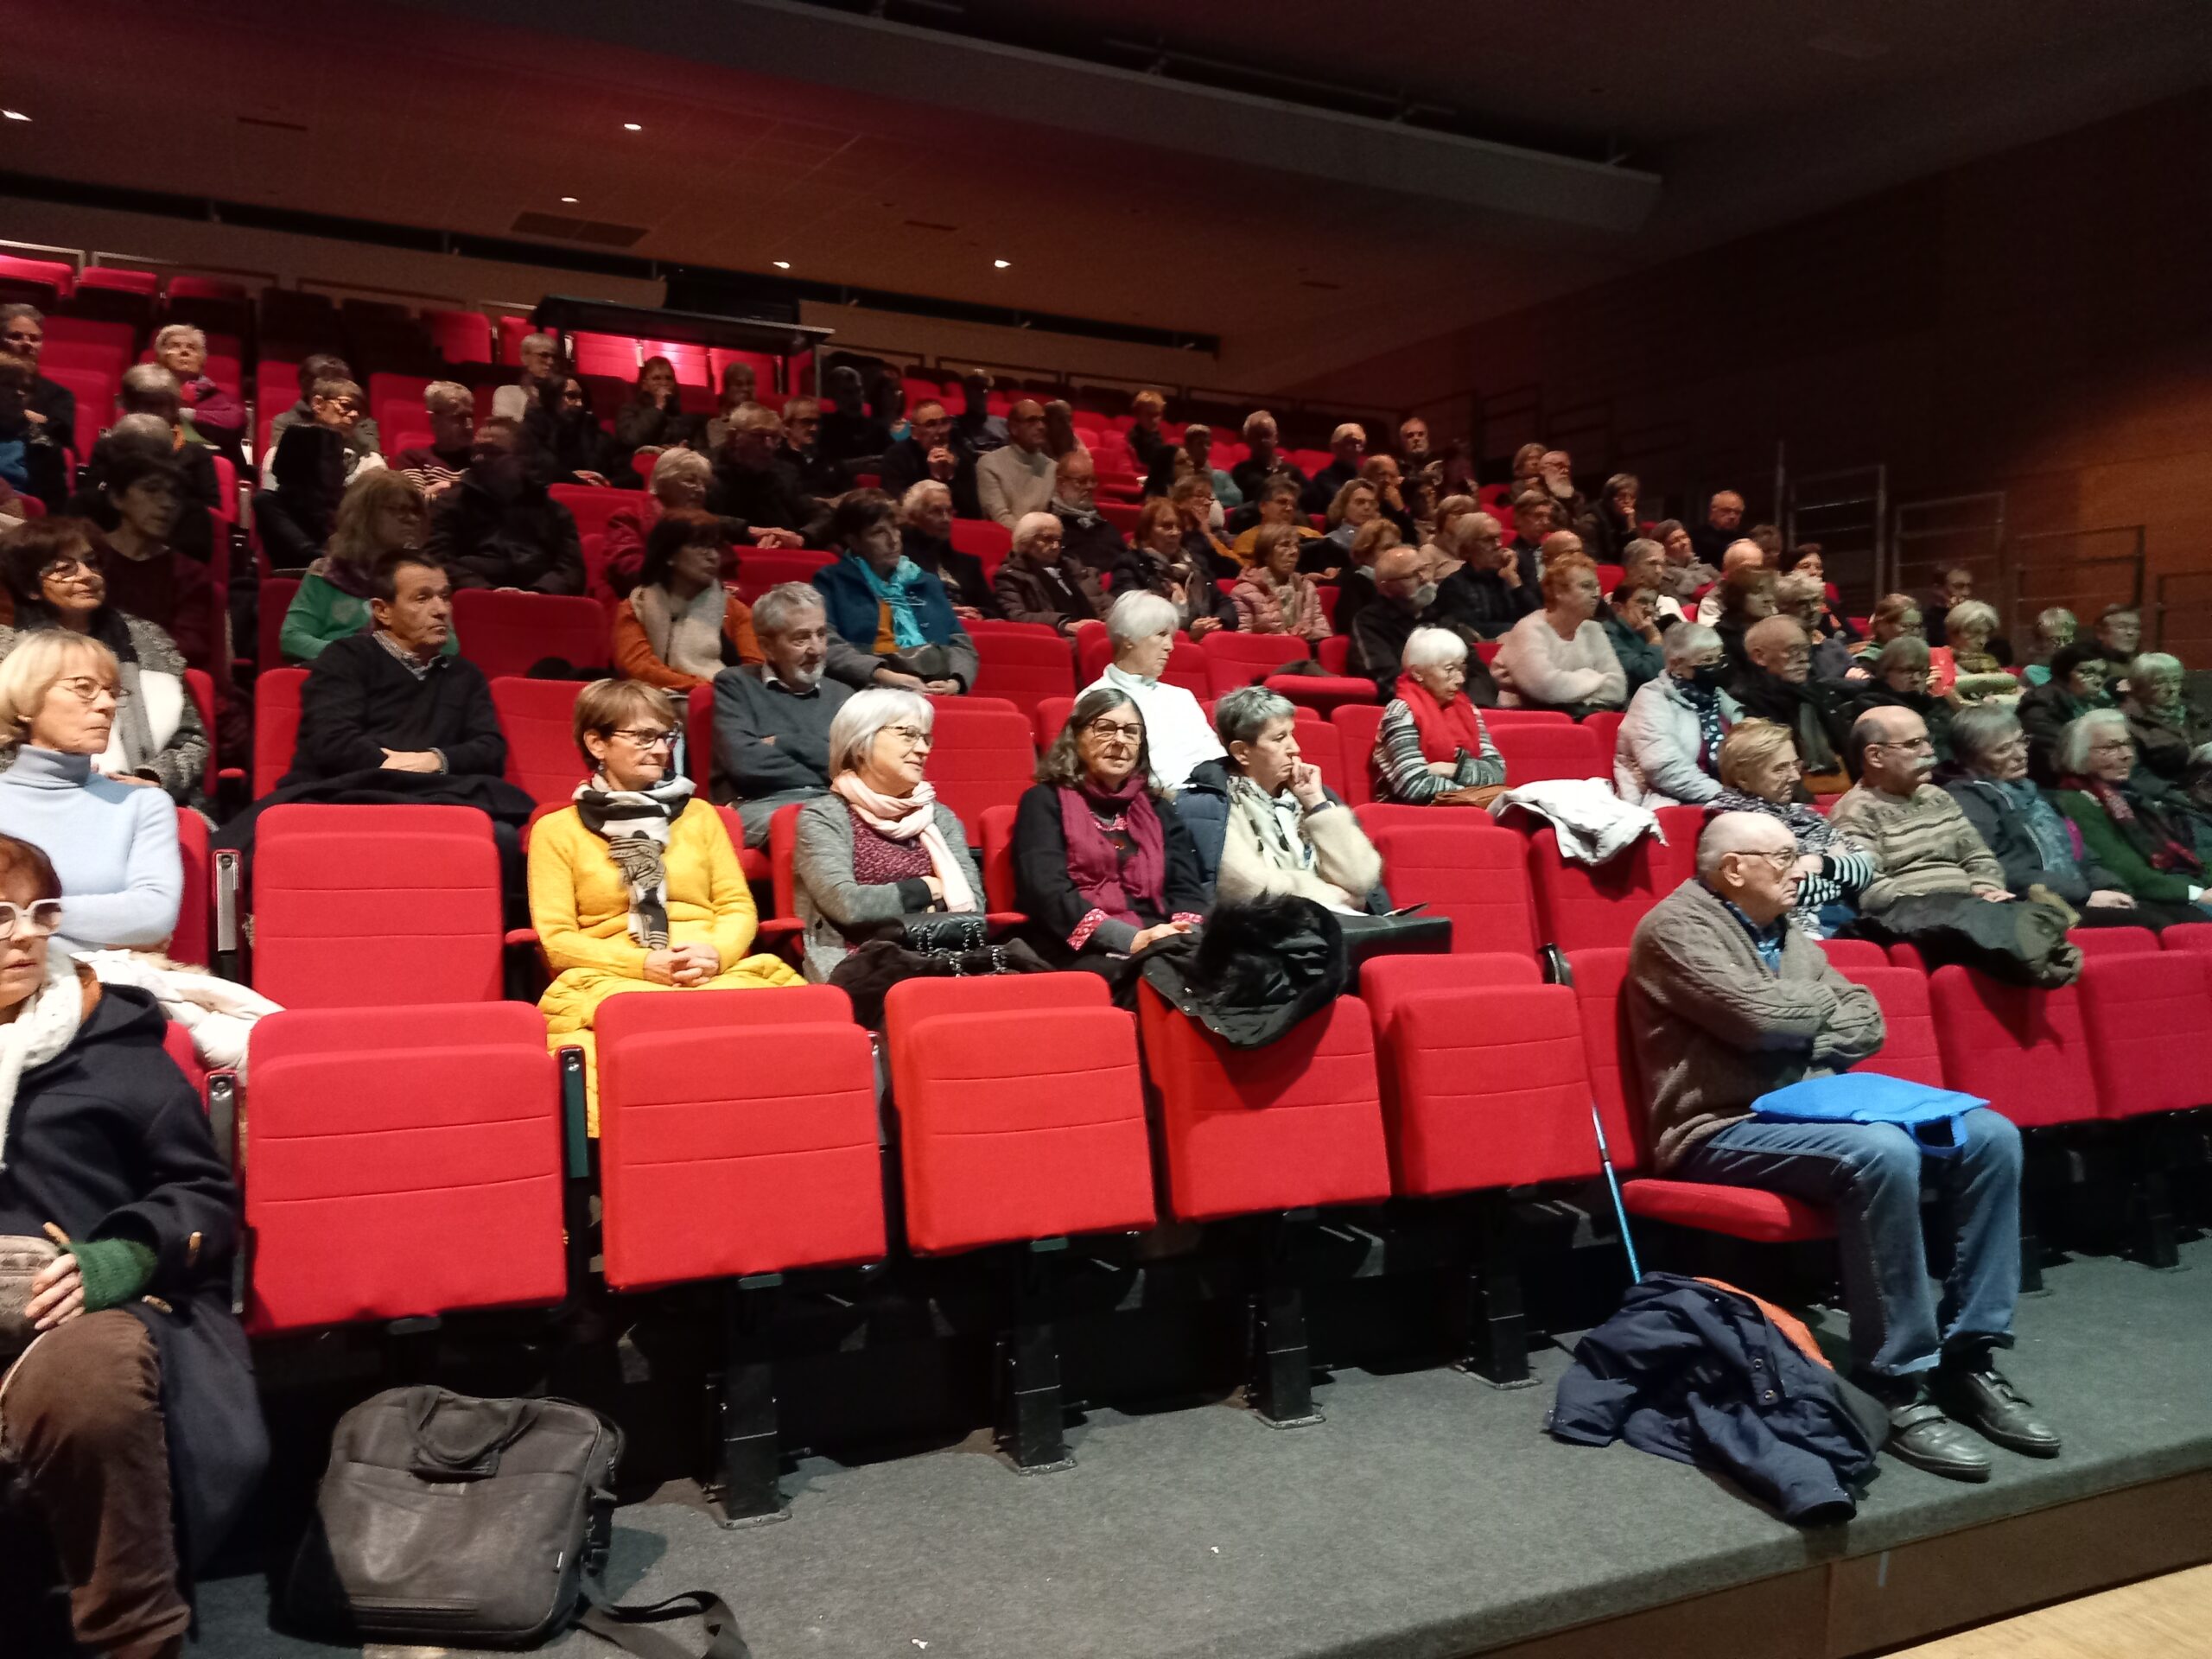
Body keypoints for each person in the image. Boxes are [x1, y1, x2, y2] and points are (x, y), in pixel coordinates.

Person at [1630, 810, 2053, 1480]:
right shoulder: (1674, 930)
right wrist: (1801, 1020)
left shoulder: (1785, 934)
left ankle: (1970, 1354)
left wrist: (1797, 1026)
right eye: (1784, 856)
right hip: (1720, 1127)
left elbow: (1868, 1020)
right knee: (1883, 1152)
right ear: (1733, 868)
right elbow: (1756, 1019)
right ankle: (1896, 1378)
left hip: (1817, 1114)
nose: (1802, 868)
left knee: (1991, 1135)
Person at [0, 830, 266, 1659]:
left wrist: (120, 1258)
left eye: (38, 912)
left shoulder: (113, 1043)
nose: (24, 933)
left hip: (83, 1305)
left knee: (94, 1379)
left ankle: (135, 1641)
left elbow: (203, 1198)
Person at [529, 678, 803, 1124]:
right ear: (596, 742)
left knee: (790, 1020)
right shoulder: (556, 831)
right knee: (637, 1024)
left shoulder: (702, 817)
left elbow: (737, 906)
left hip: (711, 966)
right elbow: (557, 939)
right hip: (613, 974)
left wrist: (715, 954)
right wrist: (642, 966)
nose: (660, 750)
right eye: (643, 737)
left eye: (666, 736)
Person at [1829, 707, 2082, 986]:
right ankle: (2044, 961)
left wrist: (1986, 887)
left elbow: (1978, 855)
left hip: (1967, 906)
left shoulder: (1938, 797)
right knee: (2013, 925)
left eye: (1928, 741)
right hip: (1908, 913)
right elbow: (1871, 887)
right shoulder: (1853, 812)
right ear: (1875, 756)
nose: (1929, 752)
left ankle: (2042, 955)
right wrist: (1947, 902)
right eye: (1914, 744)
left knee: (2047, 913)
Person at [0, 520, 207, 804]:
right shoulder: (8, 651)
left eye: (91, 563)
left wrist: (154, 778)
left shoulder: (146, 640)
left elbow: (192, 739)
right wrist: (64, 783)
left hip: (149, 800)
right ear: (30, 587)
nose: (87, 576)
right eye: (64, 569)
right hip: (34, 802)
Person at [0, 632, 181, 951]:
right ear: (26, 701)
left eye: (112, 693)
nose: (107, 705)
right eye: (84, 688)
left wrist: (21, 915)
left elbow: (154, 915)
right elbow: (140, 929)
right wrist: (105, 931)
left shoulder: (143, 803)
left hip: (110, 989)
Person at [791, 687, 982, 982]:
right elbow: (846, 904)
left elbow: (975, 905)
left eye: (926, 738)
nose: (923, 749)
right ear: (860, 743)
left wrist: (888, 903)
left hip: (947, 956)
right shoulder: (825, 816)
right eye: (908, 734)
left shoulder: (939, 816)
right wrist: (925, 888)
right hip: (861, 965)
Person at [1012, 685, 1208, 972]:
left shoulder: (1158, 809)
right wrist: (1133, 939)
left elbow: (1186, 887)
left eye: (1131, 732)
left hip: (1160, 938)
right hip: (1075, 946)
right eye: (1105, 728)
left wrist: (1184, 932)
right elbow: (1047, 893)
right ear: (1076, 737)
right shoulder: (1043, 801)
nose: (1120, 740)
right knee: (1164, 977)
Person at [1945, 704, 2196, 927]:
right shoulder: (1970, 800)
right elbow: (2003, 868)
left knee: (2185, 917)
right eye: (2002, 750)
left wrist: (2109, 886)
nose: (2021, 754)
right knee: (2152, 924)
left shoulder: (2034, 793)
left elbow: (2082, 854)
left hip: (2075, 893)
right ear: (1970, 759)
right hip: (2035, 904)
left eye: (2021, 741)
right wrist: (2085, 895)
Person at [1177, 686, 1382, 912]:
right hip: (1264, 934)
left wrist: (1317, 805)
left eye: (1292, 734)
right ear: (1241, 752)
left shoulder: (1314, 795)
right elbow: (1251, 888)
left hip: (1339, 927)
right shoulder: (1212, 803)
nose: (1295, 748)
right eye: (1279, 738)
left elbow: (1362, 879)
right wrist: (1330, 896)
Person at [711, 583, 855, 842]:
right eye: (801, 639)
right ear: (767, 647)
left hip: (834, 804)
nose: (816, 650)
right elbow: (745, 763)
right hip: (761, 806)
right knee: (817, 828)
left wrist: (784, 742)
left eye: (821, 634)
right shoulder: (736, 685)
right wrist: (826, 760)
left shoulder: (843, 694)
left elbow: (855, 769)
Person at [1705, 721, 1876, 935]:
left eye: (1795, 765)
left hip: (1848, 917)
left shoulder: (1804, 814)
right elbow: (1771, 891)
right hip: (1796, 929)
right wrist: (1842, 879)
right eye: (1780, 769)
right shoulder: (1730, 821)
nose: (1795, 777)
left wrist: (1821, 865)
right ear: (1743, 778)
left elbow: (1866, 867)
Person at [2048, 711, 2211, 918]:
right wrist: (2197, 893)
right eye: (2111, 747)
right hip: (2154, 900)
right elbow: (2126, 870)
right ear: (2077, 753)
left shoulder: (2128, 796)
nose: (2126, 754)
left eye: (2127, 744)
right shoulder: (2075, 802)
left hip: (2179, 890)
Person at [280, 470, 453, 665]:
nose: (411, 519)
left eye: (415, 511)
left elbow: (449, 645)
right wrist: (358, 656)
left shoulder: (424, 577)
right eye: (399, 510)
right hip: (338, 676)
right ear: (365, 515)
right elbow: (292, 639)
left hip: (407, 679)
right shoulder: (326, 573)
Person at [810, 490, 975, 696]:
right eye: (878, 532)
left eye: (896, 528)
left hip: (934, 689)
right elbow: (826, 643)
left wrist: (955, 683)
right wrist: (881, 674)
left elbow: (961, 644)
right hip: (865, 690)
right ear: (853, 540)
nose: (893, 540)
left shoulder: (927, 582)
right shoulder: (831, 581)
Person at [601, 447, 802, 603]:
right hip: (647, 611)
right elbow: (632, 573)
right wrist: (700, 588)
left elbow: (727, 572)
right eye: (690, 481)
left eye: (704, 484)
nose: (699, 490)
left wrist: (728, 589)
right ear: (663, 482)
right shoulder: (628, 518)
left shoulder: (705, 525)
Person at [86, 453, 218, 674]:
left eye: (175, 496)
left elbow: (190, 646)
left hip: (159, 677)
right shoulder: (86, 556)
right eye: (151, 490)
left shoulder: (189, 572)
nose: (167, 504)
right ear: (117, 498)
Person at [1080, 591, 1223, 793]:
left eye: (1171, 637)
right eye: (1161, 635)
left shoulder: (1182, 697)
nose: (1170, 647)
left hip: (1209, 797)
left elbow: (1214, 756)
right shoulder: (1094, 699)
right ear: (1129, 639)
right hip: (1149, 805)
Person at [425, 418, 585, 594]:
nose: (479, 458)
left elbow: (571, 570)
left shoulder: (555, 513)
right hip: (473, 602)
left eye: (492, 452)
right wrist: (486, 591)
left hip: (542, 605)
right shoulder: (451, 503)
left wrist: (540, 592)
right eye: (476, 451)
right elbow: (437, 560)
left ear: (522, 460)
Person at [612, 511, 763, 693]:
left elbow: (754, 667)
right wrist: (706, 688)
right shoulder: (635, 607)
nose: (713, 556)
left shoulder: (734, 610)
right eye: (701, 546)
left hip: (726, 702)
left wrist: (715, 692)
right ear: (670, 555)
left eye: (715, 547)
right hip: (653, 701)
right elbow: (640, 669)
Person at [253, 375, 388, 569]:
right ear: (317, 403)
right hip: (301, 561)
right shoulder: (277, 458)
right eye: (346, 406)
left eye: (359, 411)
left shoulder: (370, 461)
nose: (354, 416)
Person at [1370, 627, 1505, 807]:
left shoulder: (1469, 710)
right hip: (1412, 814)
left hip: (1468, 809)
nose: (1460, 679)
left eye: (1462, 669)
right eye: (1449, 670)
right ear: (1418, 673)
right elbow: (1415, 786)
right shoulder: (1401, 712)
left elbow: (1497, 772)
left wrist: (1451, 769)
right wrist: (1470, 790)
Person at [1614, 623, 1739, 808]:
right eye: (1707, 661)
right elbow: (1664, 767)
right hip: (1672, 800)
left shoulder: (1718, 696)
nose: (1717, 666)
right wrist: (1724, 796)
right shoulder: (1653, 698)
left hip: (1730, 797)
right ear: (1676, 664)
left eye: (1719, 658)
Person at [1493, 555, 1626, 715]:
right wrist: (1594, 677)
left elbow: (1618, 688)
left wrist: (1571, 692)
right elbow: (1546, 687)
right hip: (1525, 719)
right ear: (1558, 592)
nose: (1596, 594)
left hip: (1578, 715)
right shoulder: (1530, 629)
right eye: (1586, 586)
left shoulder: (1593, 630)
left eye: (1597, 587)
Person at [1732, 616, 1852, 792]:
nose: (1804, 659)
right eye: (1793, 651)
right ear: (1760, 657)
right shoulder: (1746, 700)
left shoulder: (1816, 691)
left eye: (1805, 650)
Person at [706, 405, 830, 545]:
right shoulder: (705, 470)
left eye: (774, 437)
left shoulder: (785, 473)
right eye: (759, 436)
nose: (769, 445)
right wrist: (746, 531)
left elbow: (822, 516)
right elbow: (690, 517)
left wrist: (801, 538)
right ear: (733, 438)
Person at [1350, 545, 1452, 703]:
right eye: (1413, 575)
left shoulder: (1440, 615)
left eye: (1423, 569)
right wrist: (1436, 701)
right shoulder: (1370, 621)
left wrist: (1469, 703)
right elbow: (1385, 677)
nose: (1424, 578)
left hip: (1455, 704)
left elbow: (1474, 668)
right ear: (1386, 587)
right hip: (1408, 708)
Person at [1122, 499, 1234, 637]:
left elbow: (1224, 602)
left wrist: (1218, 621)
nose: (1175, 533)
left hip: (1206, 639)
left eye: (1179, 527)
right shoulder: (1131, 564)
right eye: (1167, 526)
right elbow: (1132, 617)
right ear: (1146, 531)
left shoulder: (1195, 563)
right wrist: (1188, 631)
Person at [1846, 636, 1956, 769]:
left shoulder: (1931, 702)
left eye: (1922, 672)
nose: (1916, 679)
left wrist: (1952, 700)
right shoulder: (1871, 705)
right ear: (1885, 671)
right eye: (1907, 671)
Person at [993, 511, 1106, 635]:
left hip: (1095, 630)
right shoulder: (1011, 575)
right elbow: (1016, 616)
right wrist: (1063, 624)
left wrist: (1113, 620)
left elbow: (1103, 602)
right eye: (1047, 539)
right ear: (1025, 541)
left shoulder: (1076, 569)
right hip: (1056, 636)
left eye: (1058, 540)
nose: (1055, 546)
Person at [2017, 641, 2113, 786]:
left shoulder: (2096, 704)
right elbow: (2062, 757)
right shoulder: (2041, 705)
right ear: (2063, 673)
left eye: (2102, 674)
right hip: (2054, 787)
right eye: (2088, 672)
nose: (2098, 681)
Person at [898, 480, 996, 619]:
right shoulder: (900, 559)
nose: (946, 519)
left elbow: (993, 610)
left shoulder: (968, 563)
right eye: (936, 511)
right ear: (914, 516)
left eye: (950, 511)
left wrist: (980, 615)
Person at [1429, 511, 1534, 639]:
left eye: (1498, 537)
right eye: (1488, 540)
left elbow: (1538, 618)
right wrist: (1520, 630)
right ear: (1466, 549)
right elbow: (1470, 630)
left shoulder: (1508, 576)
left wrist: (1514, 580)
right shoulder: (1453, 586)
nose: (1498, 545)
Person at [267, 353, 383, 465]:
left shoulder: (363, 423)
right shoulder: (287, 423)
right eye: (333, 383)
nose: (343, 388)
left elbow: (373, 465)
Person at [149, 323, 244, 459]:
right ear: (160, 357)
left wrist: (184, 414)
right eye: (175, 346)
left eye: (192, 348)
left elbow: (234, 422)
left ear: (202, 360)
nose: (184, 352)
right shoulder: (145, 393)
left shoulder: (221, 399)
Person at [2119, 652, 2211, 783]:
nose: (2171, 688)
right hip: (2178, 792)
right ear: (2139, 687)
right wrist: (2181, 797)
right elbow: (2138, 776)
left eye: (2175, 680)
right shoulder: (2128, 723)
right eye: (2160, 682)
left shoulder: (2193, 711)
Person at [1231, 524, 1330, 641]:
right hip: (1264, 658)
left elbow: (1325, 633)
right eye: (1285, 545)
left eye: (1297, 546)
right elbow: (1241, 642)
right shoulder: (1244, 592)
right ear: (1266, 553)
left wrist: (1308, 632)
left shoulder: (1307, 587)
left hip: (1305, 655)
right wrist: (1288, 637)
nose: (1294, 552)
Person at [0, 348, 67, 516]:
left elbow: (53, 510)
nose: (19, 393)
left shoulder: (44, 446)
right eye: (8, 384)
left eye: (26, 388)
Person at [1049, 449, 1134, 580]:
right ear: (1061, 484)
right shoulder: (1050, 528)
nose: (1090, 486)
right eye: (1082, 481)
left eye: (1093, 480)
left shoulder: (1104, 524)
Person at [976, 400, 1056, 529]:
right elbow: (999, 518)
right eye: (1032, 421)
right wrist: (1032, 539)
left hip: (1043, 541)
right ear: (1014, 428)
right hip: (1003, 541)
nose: (1041, 426)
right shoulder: (989, 464)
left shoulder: (1054, 468)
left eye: (1043, 420)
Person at [0, 304, 74, 442]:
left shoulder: (58, 395)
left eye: (35, 339)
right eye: (16, 336)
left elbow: (62, 434)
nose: (27, 343)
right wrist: (35, 418)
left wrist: (19, 415)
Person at [391, 381, 477, 497]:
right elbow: (415, 506)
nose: (469, 425)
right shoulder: (412, 459)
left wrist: (441, 488)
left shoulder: (482, 459)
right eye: (459, 417)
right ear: (434, 420)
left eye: (470, 417)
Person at [1229, 476, 1322, 570]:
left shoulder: (1311, 535)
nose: (1289, 509)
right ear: (1263, 507)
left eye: (1293, 505)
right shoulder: (1246, 540)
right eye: (1282, 502)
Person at [879, 397, 962, 503]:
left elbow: (972, 512)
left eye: (944, 422)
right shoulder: (896, 457)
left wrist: (951, 476)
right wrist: (934, 479)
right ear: (914, 432)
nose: (941, 430)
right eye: (931, 424)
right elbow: (897, 506)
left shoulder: (961, 457)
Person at [613, 354, 702, 452]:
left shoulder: (684, 416)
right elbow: (632, 439)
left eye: (669, 378)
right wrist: (658, 407)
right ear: (644, 385)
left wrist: (687, 448)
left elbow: (701, 449)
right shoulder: (629, 410)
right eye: (656, 378)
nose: (664, 383)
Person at [817, 365, 892, 469]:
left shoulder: (878, 429)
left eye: (858, 390)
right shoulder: (822, 426)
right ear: (833, 395)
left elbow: (895, 461)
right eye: (847, 392)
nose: (856, 398)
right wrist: (849, 466)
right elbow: (818, 468)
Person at [1599, 582, 1666, 696]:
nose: (1650, 609)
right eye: (1642, 602)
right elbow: (1646, 675)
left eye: (1653, 603)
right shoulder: (1606, 633)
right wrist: (1655, 639)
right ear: (1618, 608)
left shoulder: (1646, 631)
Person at [1230, 410, 1305, 504]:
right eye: (1256, 436)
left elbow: (1311, 496)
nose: (1263, 441)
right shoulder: (1242, 471)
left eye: (1267, 435)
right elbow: (1262, 490)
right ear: (1247, 440)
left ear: (1276, 438)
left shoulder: (1293, 470)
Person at [778, 395, 844, 500]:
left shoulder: (831, 459)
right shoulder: (777, 460)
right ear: (787, 426)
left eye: (818, 422)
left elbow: (848, 493)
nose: (814, 428)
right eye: (806, 422)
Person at [1849, 593, 1927, 678]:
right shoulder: (1867, 662)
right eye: (1905, 626)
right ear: (1881, 626)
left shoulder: (1918, 660)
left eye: (1917, 626)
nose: (1915, 632)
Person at [490, 331, 562, 424]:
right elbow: (508, 430)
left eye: (554, 357)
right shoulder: (507, 393)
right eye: (544, 355)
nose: (551, 362)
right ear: (525, 357)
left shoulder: (563, 396)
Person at [1697, 540, 1767, 627]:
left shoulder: (1768, 592)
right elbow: (1712, 637)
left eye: (1758, 568)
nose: (1755, 573)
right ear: (1730, 571)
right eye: (1747, 568)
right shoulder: (1713, 602)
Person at [1300, 423, 1365, 515]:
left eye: (1360, 444)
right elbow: (1342, 502)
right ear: (1335, 447)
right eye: (1351, 442)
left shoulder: (1364, 477)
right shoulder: (1324, 477)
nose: (1357, 449)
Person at [698, 360, 760, 454]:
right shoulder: (716, 424)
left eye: (750, 384)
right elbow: (721, 454)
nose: (746, 389)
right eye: (739, 384)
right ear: (726, 390)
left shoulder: (767, 419)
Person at [2019, 607, 2076, 688]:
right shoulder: (2032, 672)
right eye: (2055, 640)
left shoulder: (2081, 671)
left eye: (2067, 639)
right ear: (2041, 641)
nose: (2063, 645)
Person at [2090, 605, 2142, 671]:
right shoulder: (2089, 666)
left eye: (2136, 628)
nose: (2131, 632)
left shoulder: (2141, 666)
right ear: (2100, 633)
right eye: (2122, 627)